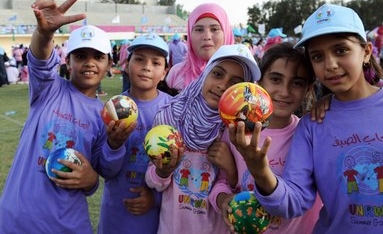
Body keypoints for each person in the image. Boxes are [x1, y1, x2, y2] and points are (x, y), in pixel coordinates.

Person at [228, 3, 383, 234]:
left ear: (367, 51)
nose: (330, 64)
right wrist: (259, 170)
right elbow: (295, 201)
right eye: (318, 56)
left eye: (341, 50)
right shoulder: (311, 125)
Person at [0, 0, 134, 233]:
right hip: (16, 220)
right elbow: (40, 58)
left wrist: (113, 146)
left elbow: (105, 171)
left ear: (108, 64)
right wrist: (45, 34)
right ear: (68, 61)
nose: (89, 62)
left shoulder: (105, 115)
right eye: (80, 56)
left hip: (67, 225)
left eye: (98, 57)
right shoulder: (48, 88)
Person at [145, 44, 261, 233]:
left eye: (235, 83)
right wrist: (163, 171)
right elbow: (153, 181)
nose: (223, 85)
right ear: (204, 74)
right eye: (217, 74)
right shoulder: (170, 117)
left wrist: (231, 169)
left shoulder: (236, 131)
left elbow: (237, 190)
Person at [210, 42, 323, 233]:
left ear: (308, 89)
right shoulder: (235, 131)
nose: (285, 91)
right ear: (259, 83)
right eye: (276, 79)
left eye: (297, 83)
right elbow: (221, 183)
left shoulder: (311, 133)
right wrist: (223, 200)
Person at [98, 33, 173, 234]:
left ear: (165, 71)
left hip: (156, 216)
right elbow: (105, 170)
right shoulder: (112, 108)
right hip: (116, 213)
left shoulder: (173, 109)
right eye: (139, 59)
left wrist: (154, 199)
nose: (147, 67)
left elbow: (179, 164)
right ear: (126, 65)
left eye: (156, 63)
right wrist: (114, 145)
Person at [165, 3, 234, 92]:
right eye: (199, 29)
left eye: (214, 29)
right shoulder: (177, 73)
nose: (207, 36)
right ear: (190, 35)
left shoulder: (241, 74)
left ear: (226, 33)